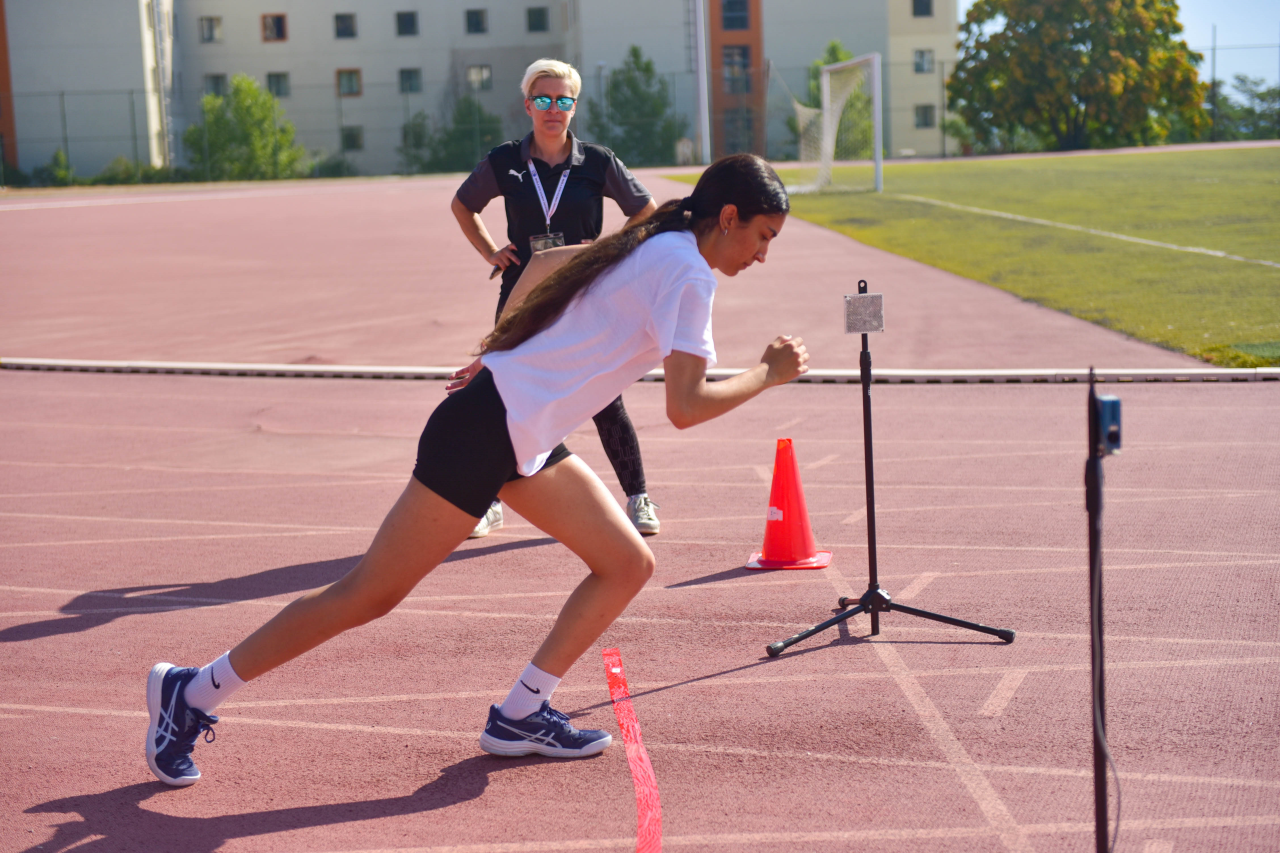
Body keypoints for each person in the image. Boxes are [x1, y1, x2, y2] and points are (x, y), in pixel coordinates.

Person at [145, 153, 807, 788]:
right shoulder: (689, 273)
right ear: (726, 217)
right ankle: (192, 690)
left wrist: (494, 352)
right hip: (484, 432)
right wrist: (767, 375)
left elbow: (544, 263)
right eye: (762, 236)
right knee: (367, 595)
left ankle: (521, 712)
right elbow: (686, 406)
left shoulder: (656, 239)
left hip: (521, 431)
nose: (762, 254)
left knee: (627, 562)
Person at [450, 58, 662, 539]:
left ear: (573, 108)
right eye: (543, 99)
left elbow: (645, 211)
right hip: (523, 292)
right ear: (528, 105)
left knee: (605, 396)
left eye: (563, 100)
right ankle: (488, 502)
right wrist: (490, 250)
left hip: (583, 292)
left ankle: (639, 497)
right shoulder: (504, 161)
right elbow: (463, 205)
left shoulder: (598, 162)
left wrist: (609, 253)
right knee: (505, 393)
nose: (553, 109)